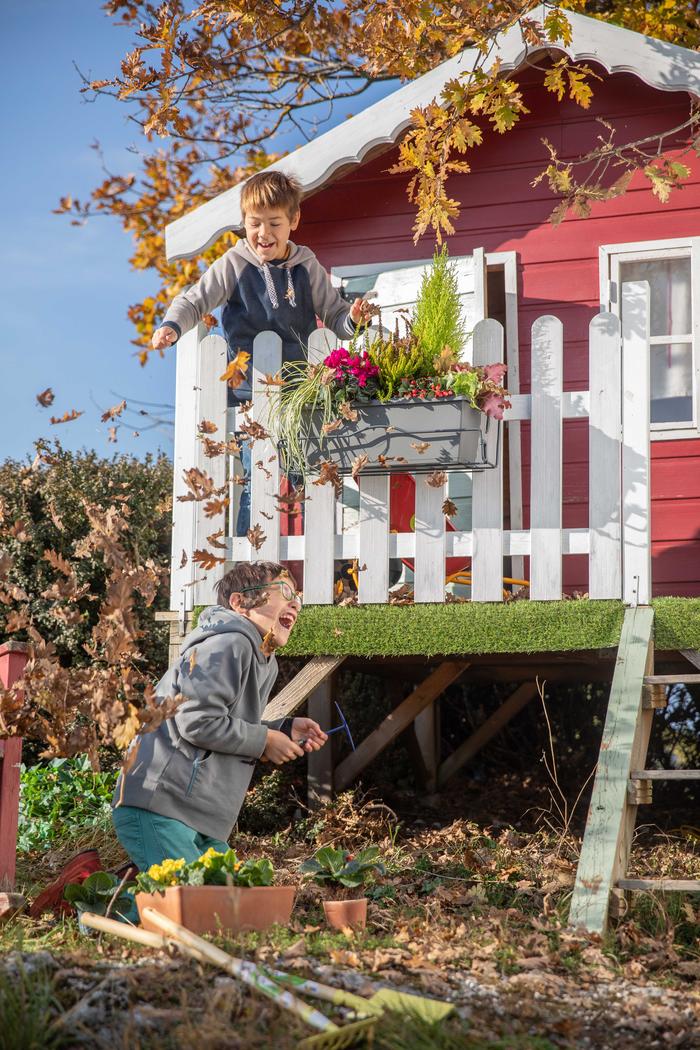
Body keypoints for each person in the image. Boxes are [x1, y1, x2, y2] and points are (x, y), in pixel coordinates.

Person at [151, 170, 375, 535]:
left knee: (307, 478)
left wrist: (352, 318)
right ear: (244, 223)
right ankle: (247, 561)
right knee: (258, 475)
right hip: (248, 395)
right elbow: (195, 299)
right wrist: (171, 327)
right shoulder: (235, 264)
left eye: (274, 223)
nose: (263, 233)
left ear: (293, 222)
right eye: (254, 223)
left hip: (298, 394)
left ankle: (322, 556)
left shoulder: (305, 267)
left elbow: (334, 314)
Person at [111, 561, 327, 876]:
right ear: (239, 603)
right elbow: (197, 720)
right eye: (284, 591)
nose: (295, 602)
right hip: (160, 807)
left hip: (196, 816)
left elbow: (223, 720)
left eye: (298, 598)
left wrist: (280, 729)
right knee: (195, 904)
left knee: (224, 903)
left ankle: (114, 900)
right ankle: (94, 910)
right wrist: (264, 740)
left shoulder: (264, 659)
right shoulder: (229, 642)